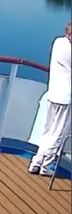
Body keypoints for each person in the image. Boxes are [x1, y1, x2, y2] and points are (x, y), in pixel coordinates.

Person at [29, 21, 71, 176]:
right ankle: (45, 167)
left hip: (52, 93)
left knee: (47, 132)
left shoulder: (58, 42)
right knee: (57, 134)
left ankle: (36, 162)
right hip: (65, 98)